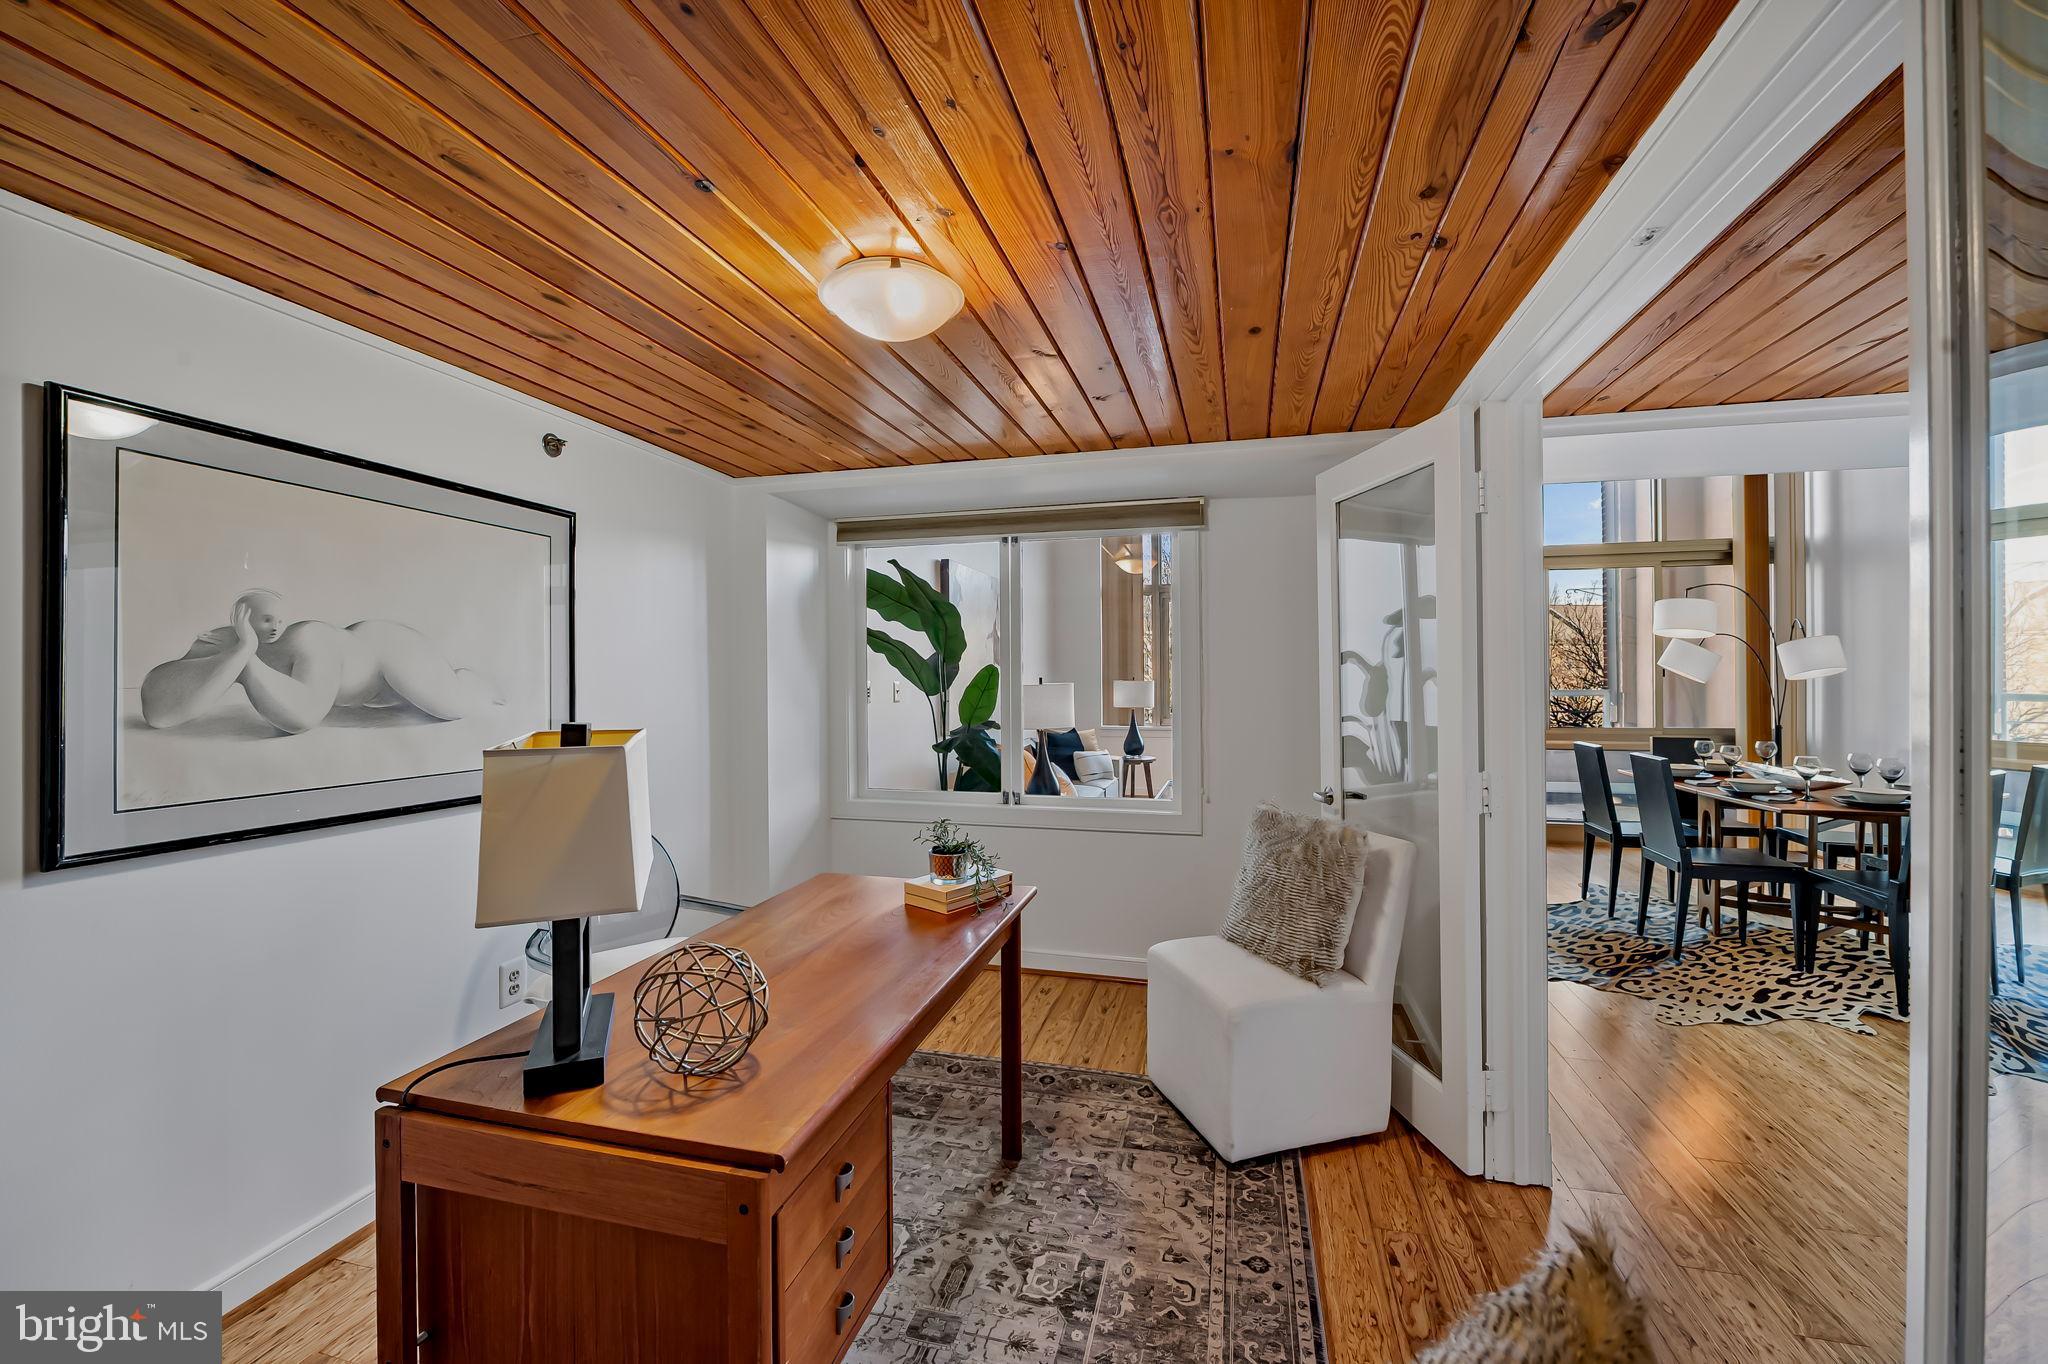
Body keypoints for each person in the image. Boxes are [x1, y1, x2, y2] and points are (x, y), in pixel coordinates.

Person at [140, 588, 501, 735]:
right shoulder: (227, 642)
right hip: (365, 680)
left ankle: (470, 678)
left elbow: (304, 716)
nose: (276, 626)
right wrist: (238, 651)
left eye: (278, 618)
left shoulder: (308, 639)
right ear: (240, 617)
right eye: (265, 620)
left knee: (455, 705)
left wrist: (245, 659)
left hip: (388, 650)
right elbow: (159, 711)